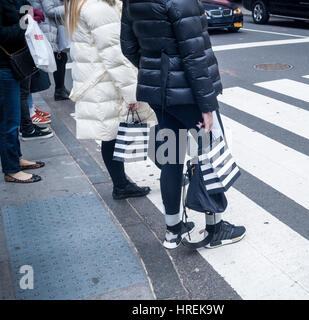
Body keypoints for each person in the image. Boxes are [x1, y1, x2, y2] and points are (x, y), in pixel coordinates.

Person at [121, 0, 246, 249]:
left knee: (170, 160)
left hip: (159, 93)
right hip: (189, 94)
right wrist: (207, 105)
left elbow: (128, 46)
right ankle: (215, 228)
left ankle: (172, 231)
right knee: (209, 155)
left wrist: (155, 69)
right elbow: (194, 54)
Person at [65, 0, 155, 200]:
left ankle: (121, 183)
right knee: (113, 133)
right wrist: (131, 93)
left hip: (96, 79)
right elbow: (115, 54)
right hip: (106, 81)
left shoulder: (78, 4)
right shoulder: (98, 8)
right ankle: (123, 184)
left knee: (110, 133)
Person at [0, 0, 46, 183]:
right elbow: (2, 34)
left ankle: (16, 158)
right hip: (3, 66)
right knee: (9, 121)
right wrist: (24, 22)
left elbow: (25, 5)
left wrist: (28, 13)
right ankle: (11, 169)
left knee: (14, 118)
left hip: (13, 63)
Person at [30, 0, 70, 101]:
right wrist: (69, 8)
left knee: (61, 58)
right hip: (48, 27)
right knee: (59, 58)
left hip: (53, 26)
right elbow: (50, 11)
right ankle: (59, 90)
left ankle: (61, 88)